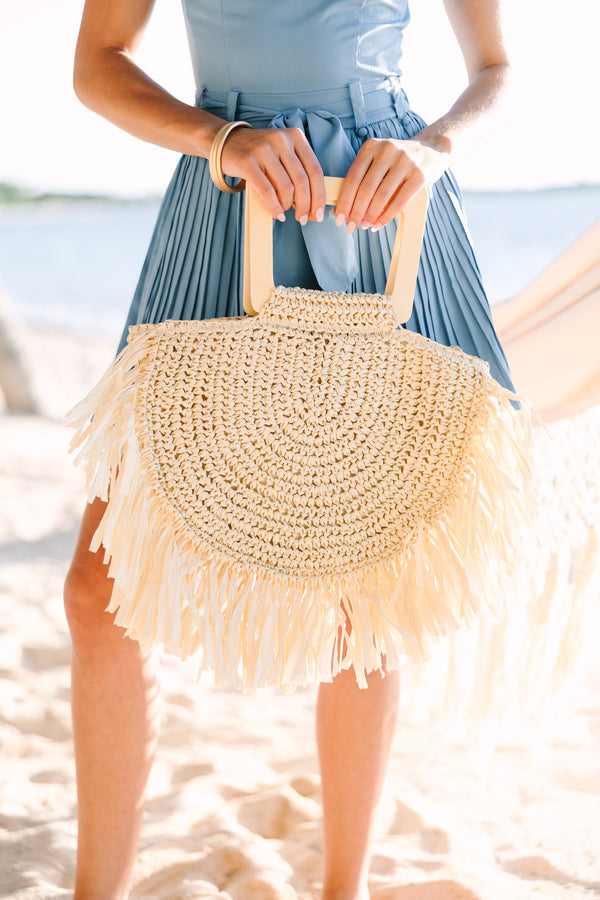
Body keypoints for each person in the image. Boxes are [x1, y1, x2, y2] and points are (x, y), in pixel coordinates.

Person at [64, 1, 518, 898]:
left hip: (385, 207)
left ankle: (344, 886)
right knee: (99, 591)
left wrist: (432, 150)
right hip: (225, 197)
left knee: (368, 582)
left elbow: (496, 70)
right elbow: (98, 62)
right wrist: (221, 139)